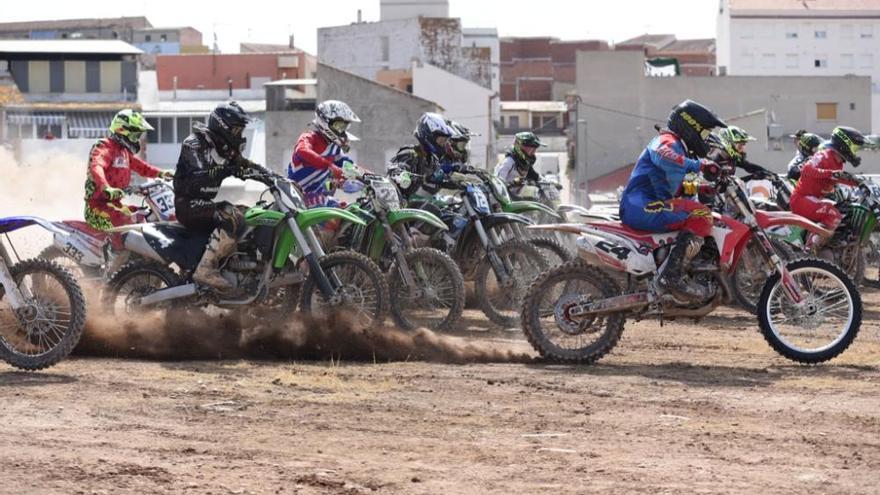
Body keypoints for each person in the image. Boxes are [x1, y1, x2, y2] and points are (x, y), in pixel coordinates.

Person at [619, 100, 725, 301]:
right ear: (690, 127)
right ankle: (672, 277)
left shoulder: (680, 146)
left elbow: (671, 184)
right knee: (701, 214)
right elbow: (663, 155)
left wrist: (703, 187)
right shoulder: (667, 141)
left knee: (697, 210)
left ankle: (674, 270)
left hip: (648, 204)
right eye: (704, 133)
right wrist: (700, 165)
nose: (706, 139)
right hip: (641, 206)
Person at [174, 101, 274, 289]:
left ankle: (237, 267)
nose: (239, 135)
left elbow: (246, 165)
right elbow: (199, 176)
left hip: (204, 204)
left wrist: (273, 178)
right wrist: (227, 170)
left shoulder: (225, 148)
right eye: (236, 130)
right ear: (223, 127)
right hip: (188, 205)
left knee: (249, 215)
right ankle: (206, 268)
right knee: (231, 214)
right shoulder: (194, 143)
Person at [84, 109, 172, 230]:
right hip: (97, 208)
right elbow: (96, 166)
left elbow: (142, 167)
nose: (137, 140)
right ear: (122, 130)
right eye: (135, 135)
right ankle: (116, 249)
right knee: (125, 220)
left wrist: (162, 173)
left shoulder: (123, 152)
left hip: (115, 205)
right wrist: (106, 188)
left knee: (146, 215)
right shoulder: (105, 146)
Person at [790, 126, 867, 249]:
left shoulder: (838, 162)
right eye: (854, 148)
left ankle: (830, 248)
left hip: (814, 199)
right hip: (801, 199)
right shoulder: (823, 155)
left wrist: (859, 182)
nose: (855, 152)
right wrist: (830, 173)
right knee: (833, 215)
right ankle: (810, 250)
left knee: (844, 211)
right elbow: (806, 169)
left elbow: (837, 177)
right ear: (844, 144)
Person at [288, 100, 361, 207]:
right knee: (335, 214)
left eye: (344, 127)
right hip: (299, 199)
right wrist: (331, 167)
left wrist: (370, 178)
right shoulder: (309, 137)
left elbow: (349, 167)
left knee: (356, 212)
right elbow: (302, 150)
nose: (342, 131)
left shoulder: (334, 148)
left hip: (322, 199)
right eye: (339, 126)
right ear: (325, 121)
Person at [387, 112, 455, 201]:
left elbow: (436, 178)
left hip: (408, 203)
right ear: (428, 135)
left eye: (445, 141)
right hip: (392, 202)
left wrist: (458, 181)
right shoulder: (411, 153)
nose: (443, 144)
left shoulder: (431, 159)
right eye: (441, 140)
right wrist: (400, 174)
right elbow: (395, 168)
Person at [493, 131, 545, 196]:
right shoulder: (508, 162)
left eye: (535, 150)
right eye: (531, 149)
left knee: (535, 192)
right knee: (531, 192)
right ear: (520, 146)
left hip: (516, 198)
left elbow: (536, 177)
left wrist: (549, 183)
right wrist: (512, 184)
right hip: (504, 200)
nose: (533, 153)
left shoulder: (525, 164)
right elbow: (497, 182)